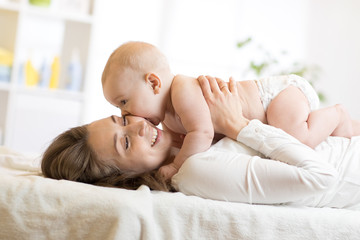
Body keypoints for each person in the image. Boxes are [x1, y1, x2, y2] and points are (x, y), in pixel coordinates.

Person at [42, 75, 360, 209]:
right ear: (123, 179)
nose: (138, 126)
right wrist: (238, 124)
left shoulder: (186, 135)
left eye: (124, 119)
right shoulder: (196, 171)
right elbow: (322, 177)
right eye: (124, 144)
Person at [101, 41, 360, 180]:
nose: (126, 115)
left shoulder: (182, 90)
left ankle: (337, 115)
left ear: (154, 83)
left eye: (123, 102)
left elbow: (202, 134)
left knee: (299, 139)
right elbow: (214, 139)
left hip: (277, 96)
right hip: (267, 112)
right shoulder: (170, 121)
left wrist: (178, 165)